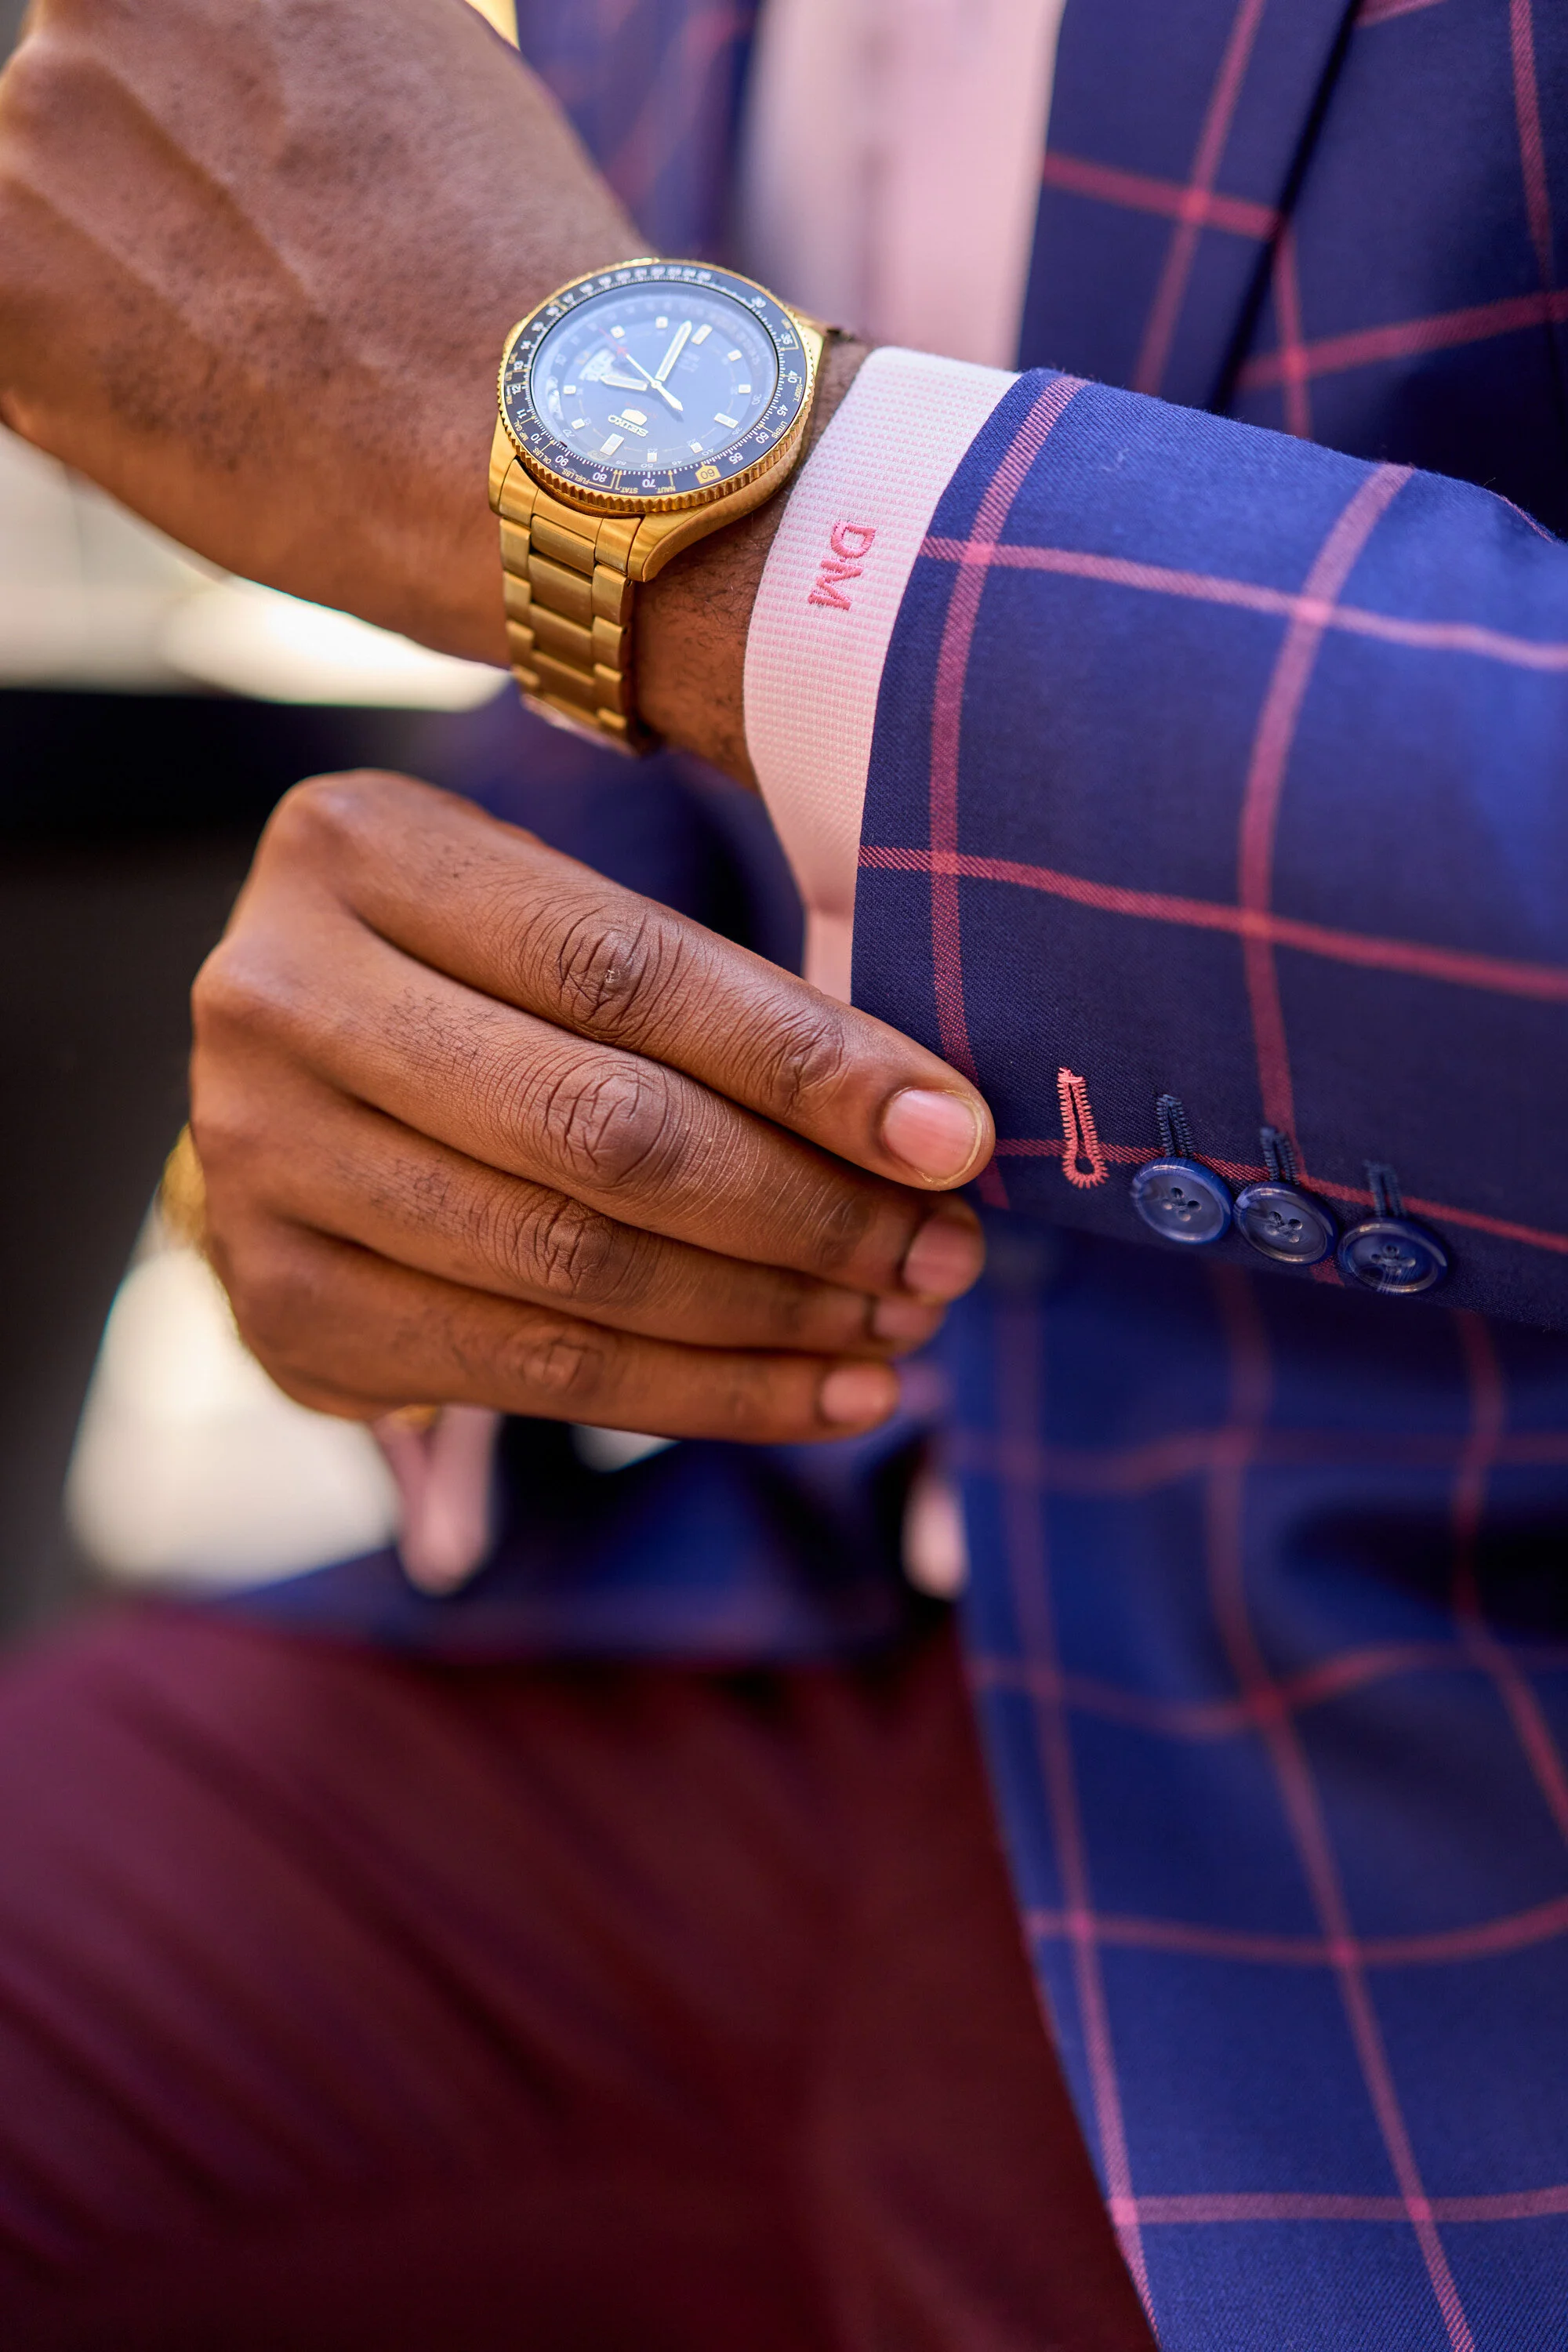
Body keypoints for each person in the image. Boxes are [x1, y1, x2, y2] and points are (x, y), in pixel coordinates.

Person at [2, 0, 1567, 2344]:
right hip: (744, 1615)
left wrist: (686, 485)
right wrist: (413, 1100)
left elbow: (583, 459)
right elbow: (642, 691)